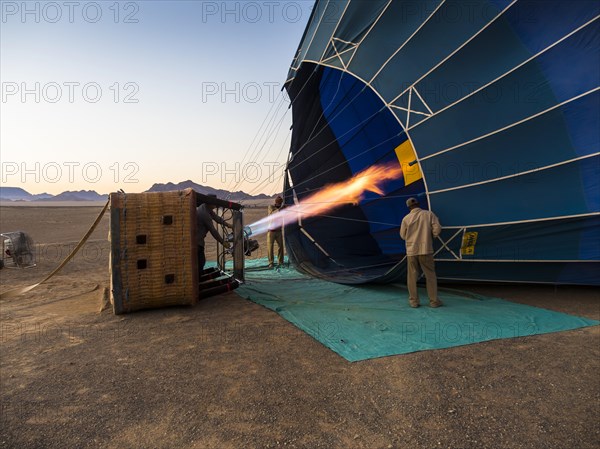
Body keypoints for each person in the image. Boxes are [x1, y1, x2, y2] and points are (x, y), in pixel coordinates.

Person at [399, 197, 443, 308]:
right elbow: (437, 228)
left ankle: (414, 301)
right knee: (430, 275)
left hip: (411, 250)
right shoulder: (429, 214)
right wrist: (431, 236)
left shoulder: (406, 218)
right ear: (418, 204)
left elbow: (402, 236)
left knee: (412, 276)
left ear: (408, 207)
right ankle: (433, 301)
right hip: (426, 249)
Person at [196, 195, 232, 276]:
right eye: (214, 203)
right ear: (210, 203)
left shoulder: (205, 207)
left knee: (200, 262)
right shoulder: (204, 214)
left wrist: (228, 225)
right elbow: (213, 231)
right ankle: (198, 283)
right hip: (197, 242)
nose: (216, 205)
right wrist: (223, 242)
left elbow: (216, 218)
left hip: (198, 241)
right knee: (200, 262)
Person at [267, 195, 285, 268]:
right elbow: (274, 214)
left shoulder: (281, 209)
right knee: (270, 247)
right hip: (271, 231)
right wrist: (281, 209)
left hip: (279, 231)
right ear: (276, 202)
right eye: (278, 202)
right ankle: (271, 262)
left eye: (280, 203)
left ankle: (280, 262)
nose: (279, 204)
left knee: (281, 246)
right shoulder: (271, 207)